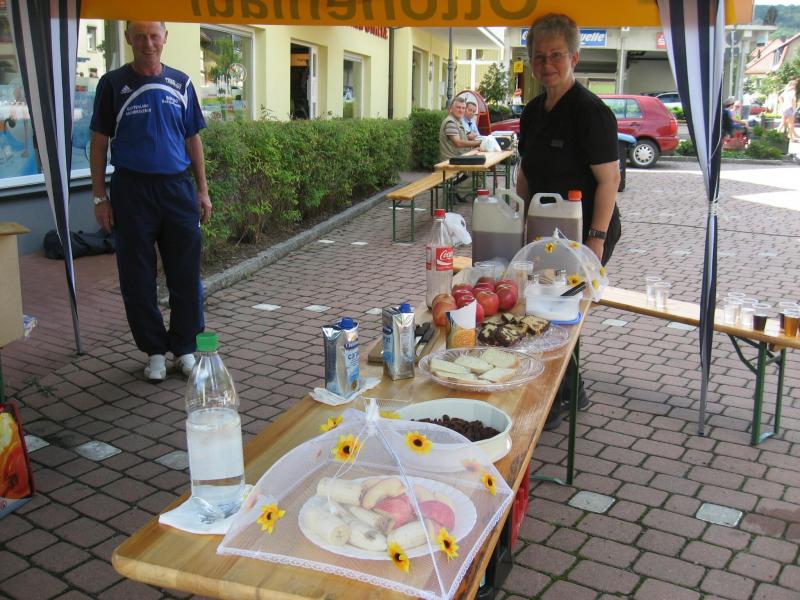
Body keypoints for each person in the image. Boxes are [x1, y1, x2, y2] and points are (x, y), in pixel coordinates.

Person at [516, 13, 622, 430]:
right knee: (548, 307)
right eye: (539, 56)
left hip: (584, 233)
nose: (547, 64)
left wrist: (594, 243)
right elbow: (525, 173)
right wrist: (518, 222)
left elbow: (609, 181)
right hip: (544, 233)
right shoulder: (532, 112)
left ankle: (558, 398)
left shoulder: (591, 112)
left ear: (574, 58)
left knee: (559, 308)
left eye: (556, 55)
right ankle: (570, 389)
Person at [90, 21, 211, 381]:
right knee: (137, 276)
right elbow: (99, 143)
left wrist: (202, 190)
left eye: (154, 36)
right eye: (140, 36)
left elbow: (192, 139)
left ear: (165, 38)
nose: (148, 43)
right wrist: (99, 197)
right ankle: (155, 350)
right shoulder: (112, 84)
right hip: (132, 191)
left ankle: (185, 347)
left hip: (177, 189)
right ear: (128, 38)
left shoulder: (181, 83)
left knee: (186, 274)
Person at [439, 96, 482, 203]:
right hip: (452, 160)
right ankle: (454, 190)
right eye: (458, 107)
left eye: (463, 108)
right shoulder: (450, 122)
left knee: (480, 171)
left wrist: (475, 143)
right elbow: (458, 142)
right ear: (451, 109)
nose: (461, 110)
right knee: (479, 176)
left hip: (459, 158)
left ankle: (457, 192)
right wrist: (477, 143)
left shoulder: (457, 121)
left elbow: (463, 138)